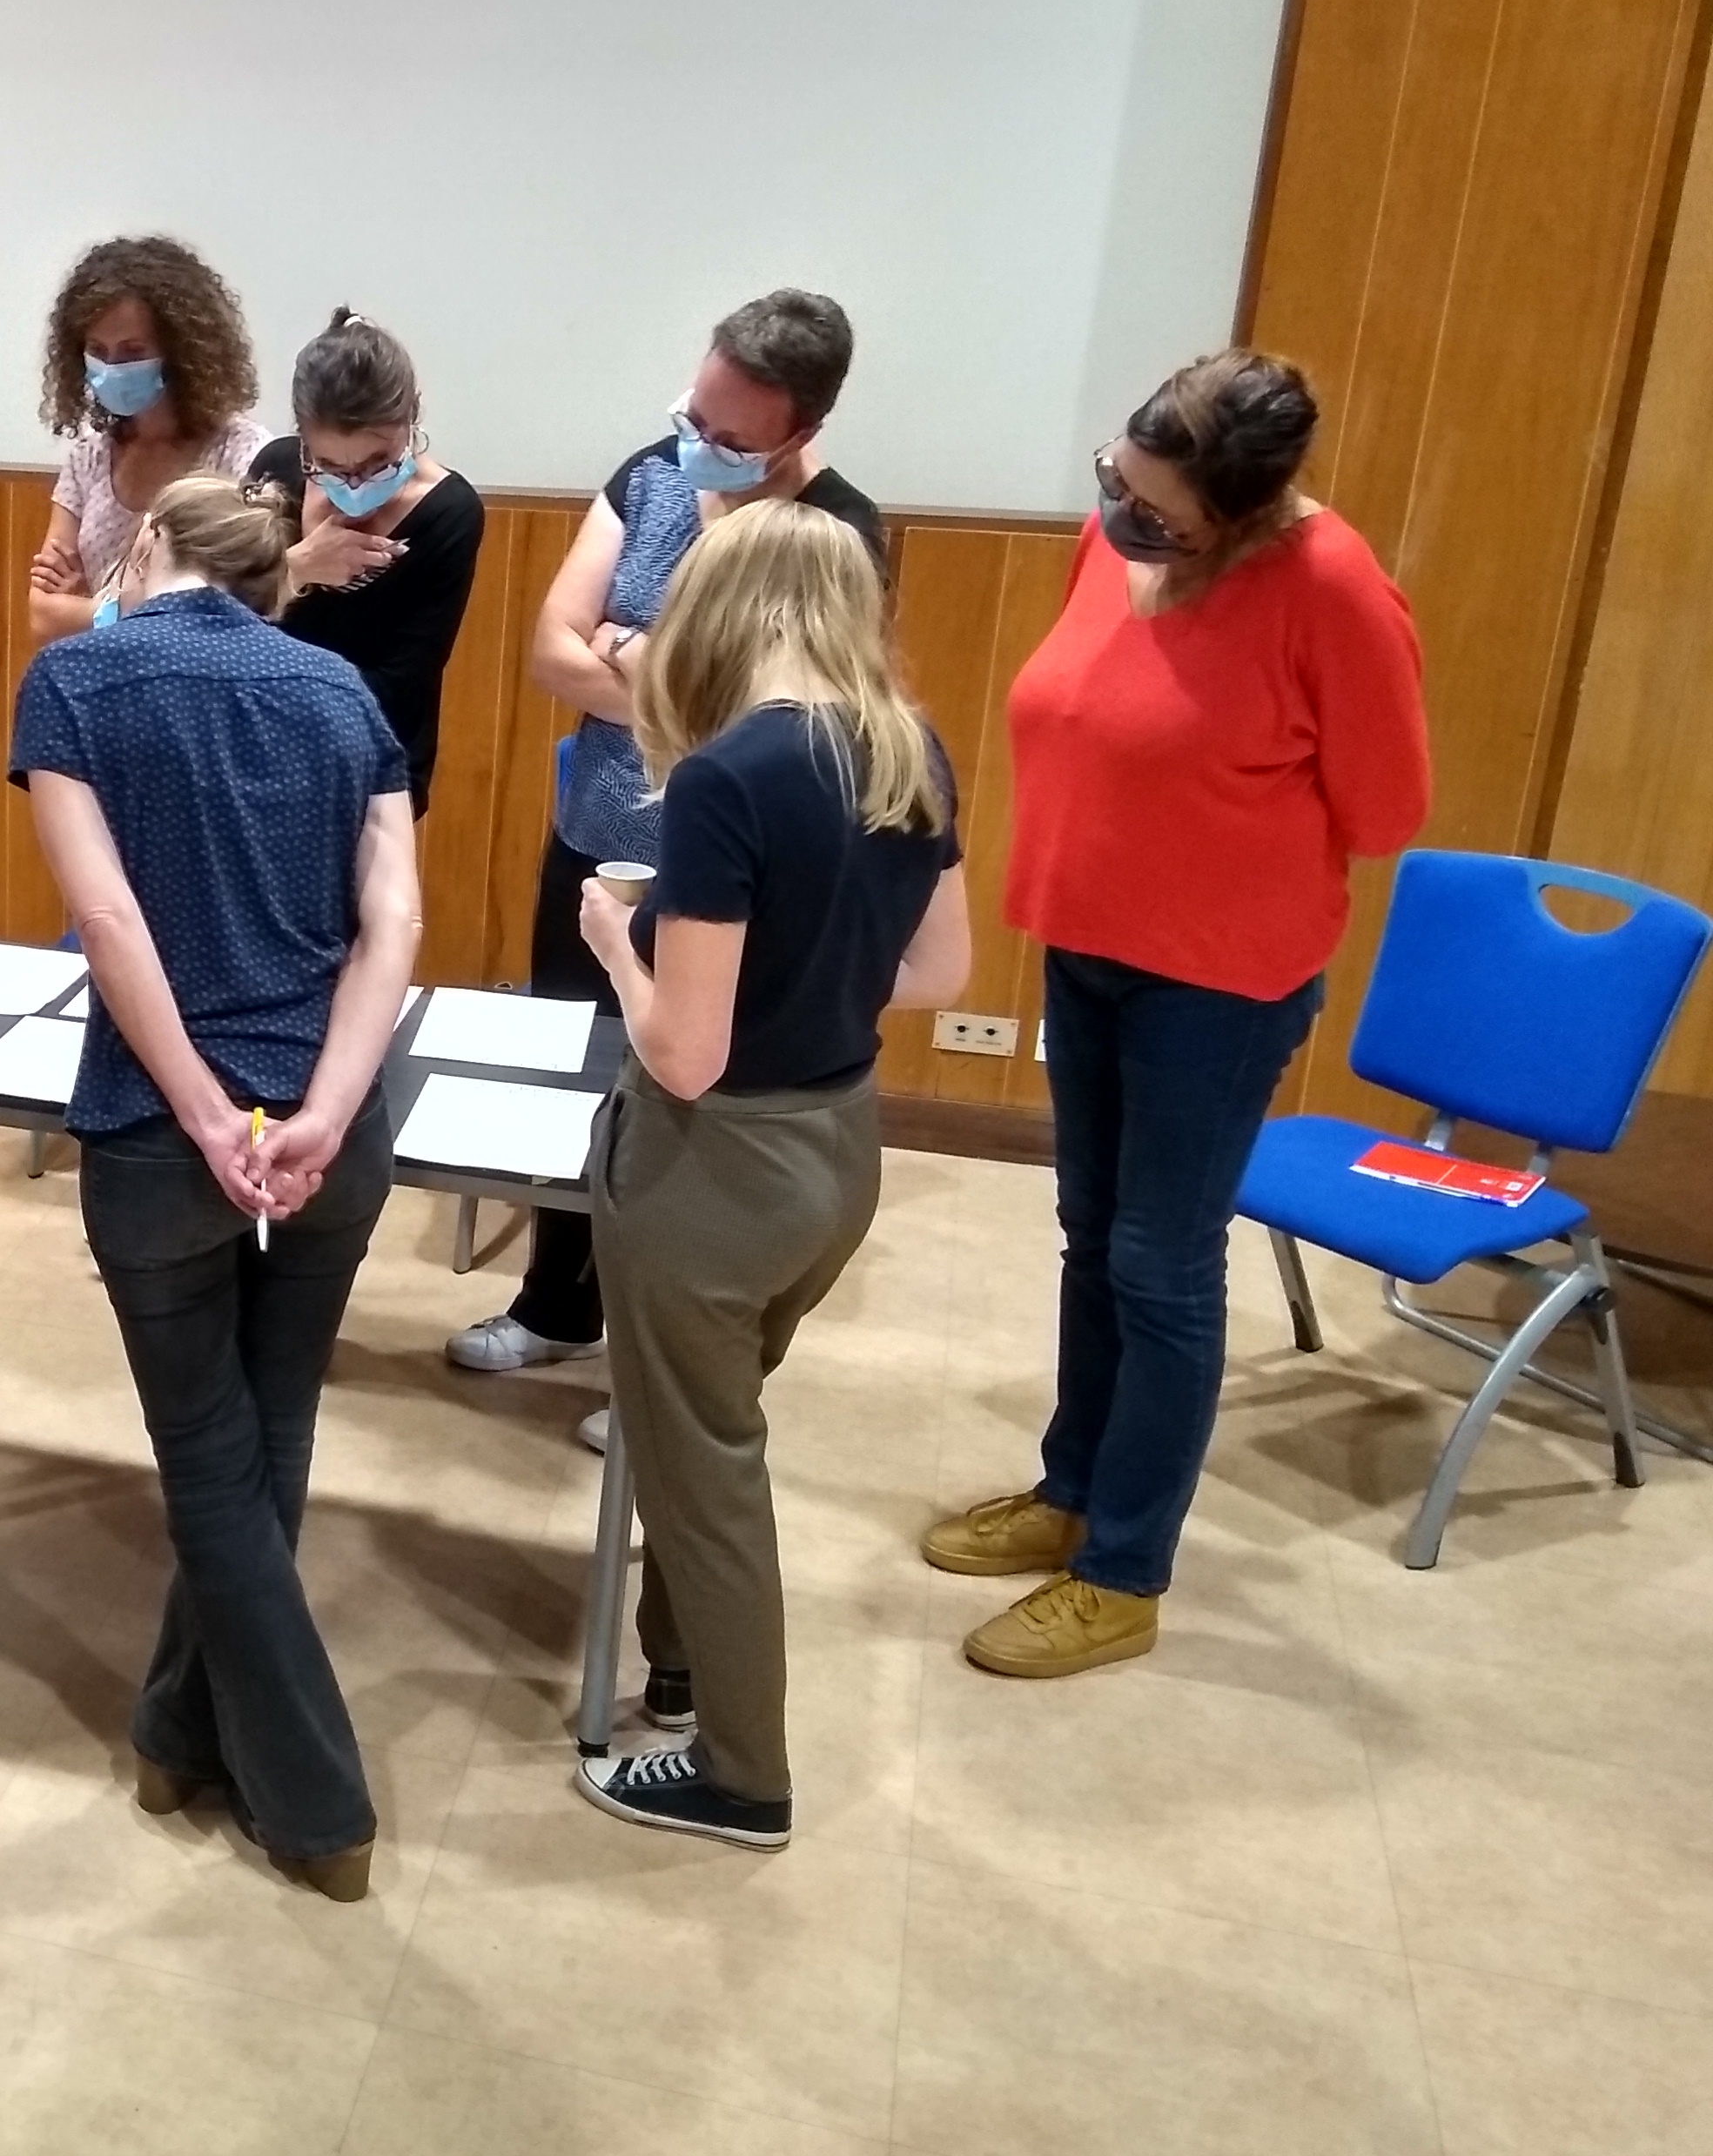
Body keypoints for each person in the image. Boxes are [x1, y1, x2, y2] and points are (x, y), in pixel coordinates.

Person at [926, 350, 1429, 1678]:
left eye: (1159, 506)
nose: (1126, 515)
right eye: (1118, 482)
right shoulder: (1122, 536)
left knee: (1160, 1262)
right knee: (1092, 1238)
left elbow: (1386, 810)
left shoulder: (1330, 587)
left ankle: (1125, 1568)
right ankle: (1073, 1486)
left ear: (1244, 510)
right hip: (1090, 944)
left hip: (1219, 976)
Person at [11, 472, 425, 1898]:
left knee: (208, 1457)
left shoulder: (76, 681)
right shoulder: (344, 699)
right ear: (268, 575)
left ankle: (319, 1803)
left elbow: (109, 916)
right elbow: (396, 927)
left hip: (156, 1136)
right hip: (335, 1132)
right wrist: (318, 1111)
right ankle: (174, 1727)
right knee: (269, 1438)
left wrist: (199, 1113)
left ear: (158, 551)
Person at [568, 501, 972, 1848]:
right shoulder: (909, 748)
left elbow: (683, 1054)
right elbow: (938, 973)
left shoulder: (732, 775)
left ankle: (742, 1771)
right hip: (838, 1154)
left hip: (710, 1173)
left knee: (706, 1466)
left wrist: (618, 942)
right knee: (711, 1434)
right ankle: (683, 1664)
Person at [448, 288, 886, 1400]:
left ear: (800, 434)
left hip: (730, 876)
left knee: (683, 1121)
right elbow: (550, 651)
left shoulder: (834, 536)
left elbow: (780, 719)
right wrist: (649, 671)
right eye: (693, 410)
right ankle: (556, 1307)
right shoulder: (646, 473)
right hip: (593, 844)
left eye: (729, 436)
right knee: (575, 1080)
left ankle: (656, 1378)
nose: (696, 442)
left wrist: (640, 662)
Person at [245, 309, 487, 813]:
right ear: (305, 441)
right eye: (331, 466)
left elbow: (397, 688)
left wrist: (260, 676)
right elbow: (211, 618)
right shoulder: (276, 469)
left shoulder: (448, 513)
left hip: (369, 769)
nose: (354, 485)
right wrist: (295, 569)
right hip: (250, 757)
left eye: (377, 463)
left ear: (409, 422)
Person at [25, 235, 268, 641]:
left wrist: (98, 610)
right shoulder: (88, 458)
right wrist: (155, 609)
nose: (111, 367)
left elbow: (234, 614)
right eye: (97, 350)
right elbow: (43, 617)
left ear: (182, 352)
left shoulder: (243, 455)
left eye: (132, 351)